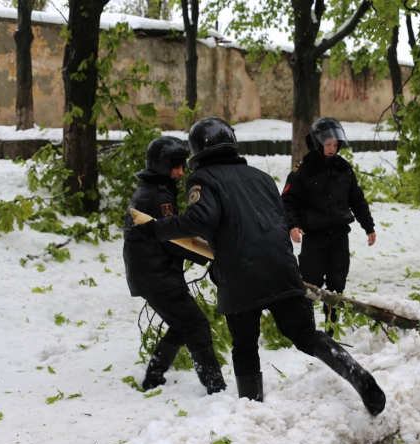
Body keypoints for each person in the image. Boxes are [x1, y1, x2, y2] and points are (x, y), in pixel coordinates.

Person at [132, 117, 386, 416]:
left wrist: (158, 229)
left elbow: (201, 219)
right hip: (282, 267)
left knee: (245, 347)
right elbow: (277, 218)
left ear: (198, 150)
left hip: (241, 276)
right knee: (305, 335)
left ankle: (253, 412)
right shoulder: (261, 176)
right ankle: (357, 374)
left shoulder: (203, 180)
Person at [123, 136, 227, 394]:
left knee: (183, 324)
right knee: (196, 324)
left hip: (150, 274)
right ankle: (214, 386)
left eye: (183, 166)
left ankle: (153, 377)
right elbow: (174, 239)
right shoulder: (159, 197)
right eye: (176, 166)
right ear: (161, 165)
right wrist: (211, 255)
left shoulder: (151, 191)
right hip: (157, 276)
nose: (181, 172)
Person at [281, 117, 376, 334]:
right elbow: (288, 200)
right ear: (317, 143)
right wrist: (293, 225)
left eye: (335, 144)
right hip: (314, 237)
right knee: (310, 284)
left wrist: (368, 226)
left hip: (339, 236)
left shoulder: (344, 169)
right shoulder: (302, 169)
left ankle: (331, 328)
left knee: (336, 284)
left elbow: (357, 200)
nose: (332, 149)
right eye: (327, 144)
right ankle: (307, 330)